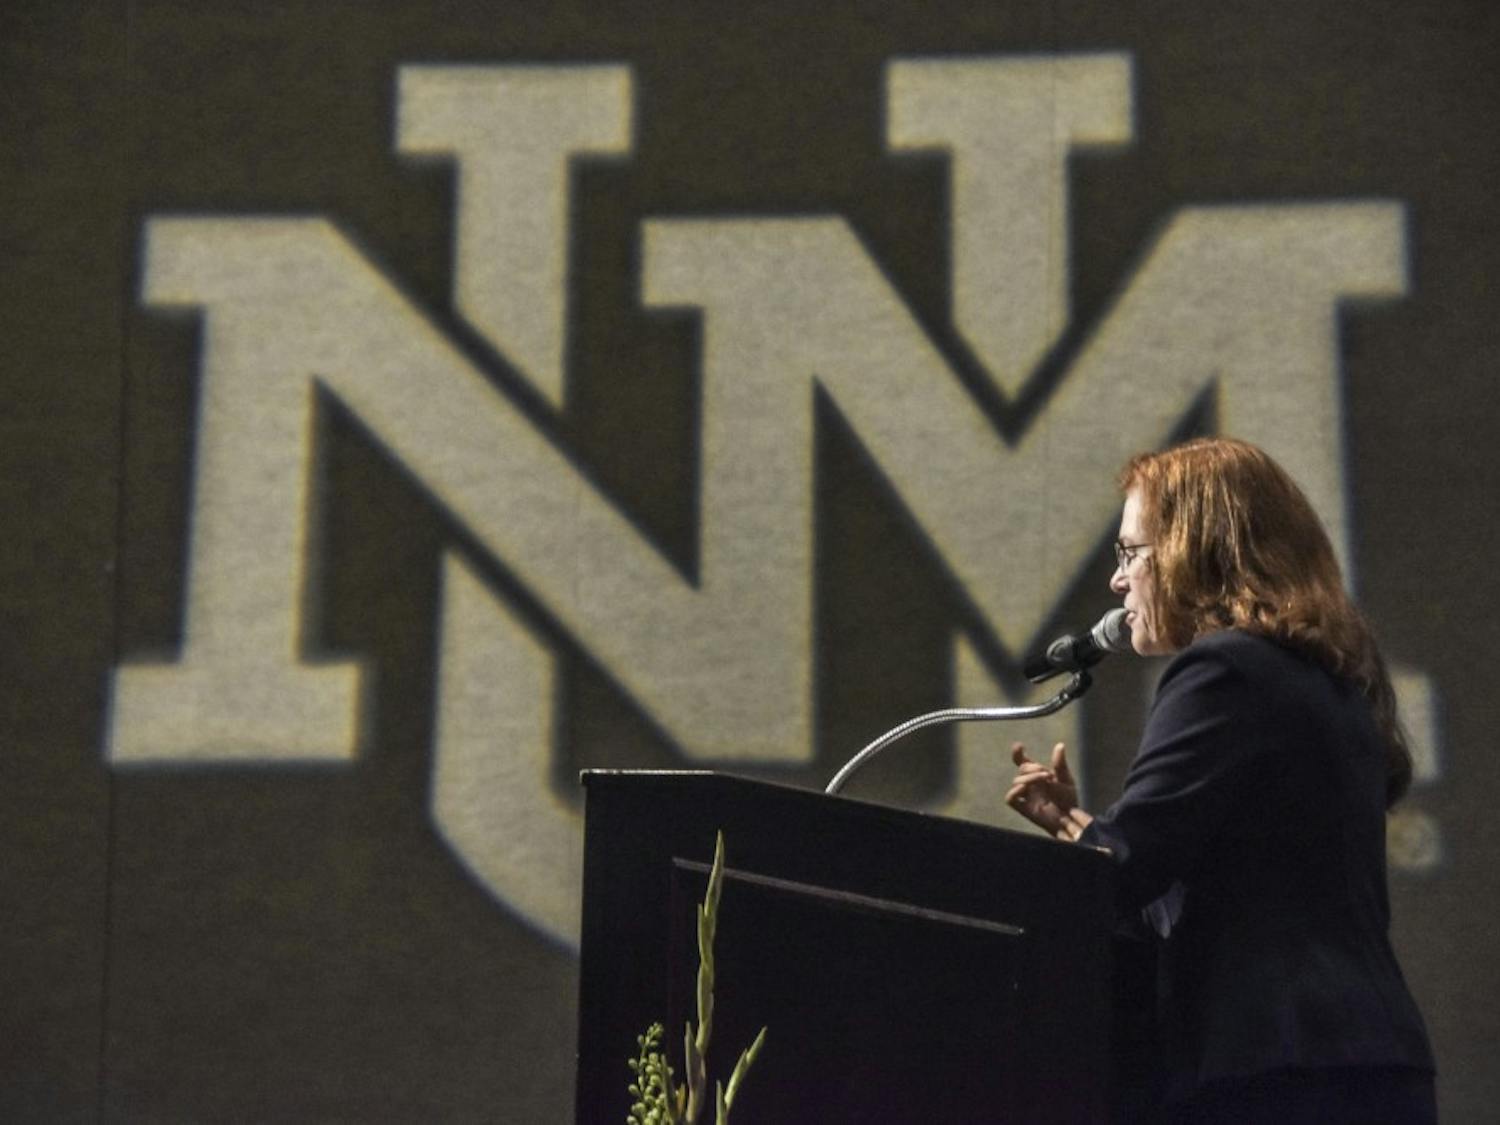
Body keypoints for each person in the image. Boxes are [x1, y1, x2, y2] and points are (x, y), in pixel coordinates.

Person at [1006, 437, 1436, 1124]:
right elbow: (1236, 877)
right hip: (1365, 1057)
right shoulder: (1326, 678)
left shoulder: (1223, 670)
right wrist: (1089, 829)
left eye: (1130, 553)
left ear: (1194, 548)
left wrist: (1070, 828)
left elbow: (1127, 866)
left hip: (1273, 1067)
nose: (1118, 581)